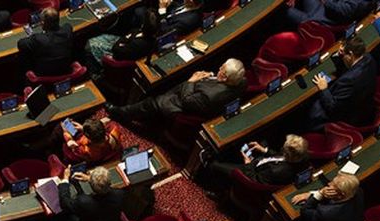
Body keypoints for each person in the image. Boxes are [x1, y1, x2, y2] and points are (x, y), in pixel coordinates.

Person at [107, 58, 246, 124]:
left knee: (151, 103)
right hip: (191, 94)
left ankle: (118, 112)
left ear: (224, 77)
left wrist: (192, 80)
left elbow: (187, 101)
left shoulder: (211, 95)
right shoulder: (241, 82)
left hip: (176, 105)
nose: (219, 67)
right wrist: (210, 76)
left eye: (221, 68)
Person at [200, 134, 311, 195]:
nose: (281, 148)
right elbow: (280, 156)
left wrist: (247, 163)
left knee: (214, 164)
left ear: (288, 153)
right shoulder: (301, 156)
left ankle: (217, 189)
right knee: (258, 139)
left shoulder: (278, 172)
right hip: (264, 164)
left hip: (251, 172)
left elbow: (254, 180)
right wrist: (264, 150)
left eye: (284, 148)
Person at [306, 37, 377, 130]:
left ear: (351, 54)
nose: (342, 56)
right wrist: (339, 55)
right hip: (364, 105)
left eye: (343, 55)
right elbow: (348, 67)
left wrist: (324, 89)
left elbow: (333, 109)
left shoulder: (348, 80)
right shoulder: (369, 59)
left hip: (350, 117)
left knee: (311, 109)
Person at [84, 8, 160, 74]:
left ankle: (95, 73)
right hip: (124, 43)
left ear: (144, 24)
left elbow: (116, 48)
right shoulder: (150, 33)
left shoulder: (139, 43)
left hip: (119, 53)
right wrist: (126, 39)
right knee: (104, 35)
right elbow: (130, 33)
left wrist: (125, 39)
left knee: (90, 44)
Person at [58, 165, 124, 221]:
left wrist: (65, 179)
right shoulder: (120, 194)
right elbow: (107, 187)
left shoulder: (83, 202)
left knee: (66, 216)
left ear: (91, 186)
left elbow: (65, 203)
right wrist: (90, 179)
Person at [17, 8, 74, 77]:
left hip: (45, 75)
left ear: (43, 23)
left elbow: (20, 44)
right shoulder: (67, 30)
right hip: (66, 69)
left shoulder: (38, 39)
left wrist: (31, 37)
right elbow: (67, 25)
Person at [285, 0, 375, 26]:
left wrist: (325, 1)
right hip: (325, 7)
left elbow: (341, 10)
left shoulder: (361, 4)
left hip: (327, 20)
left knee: (284, 10)